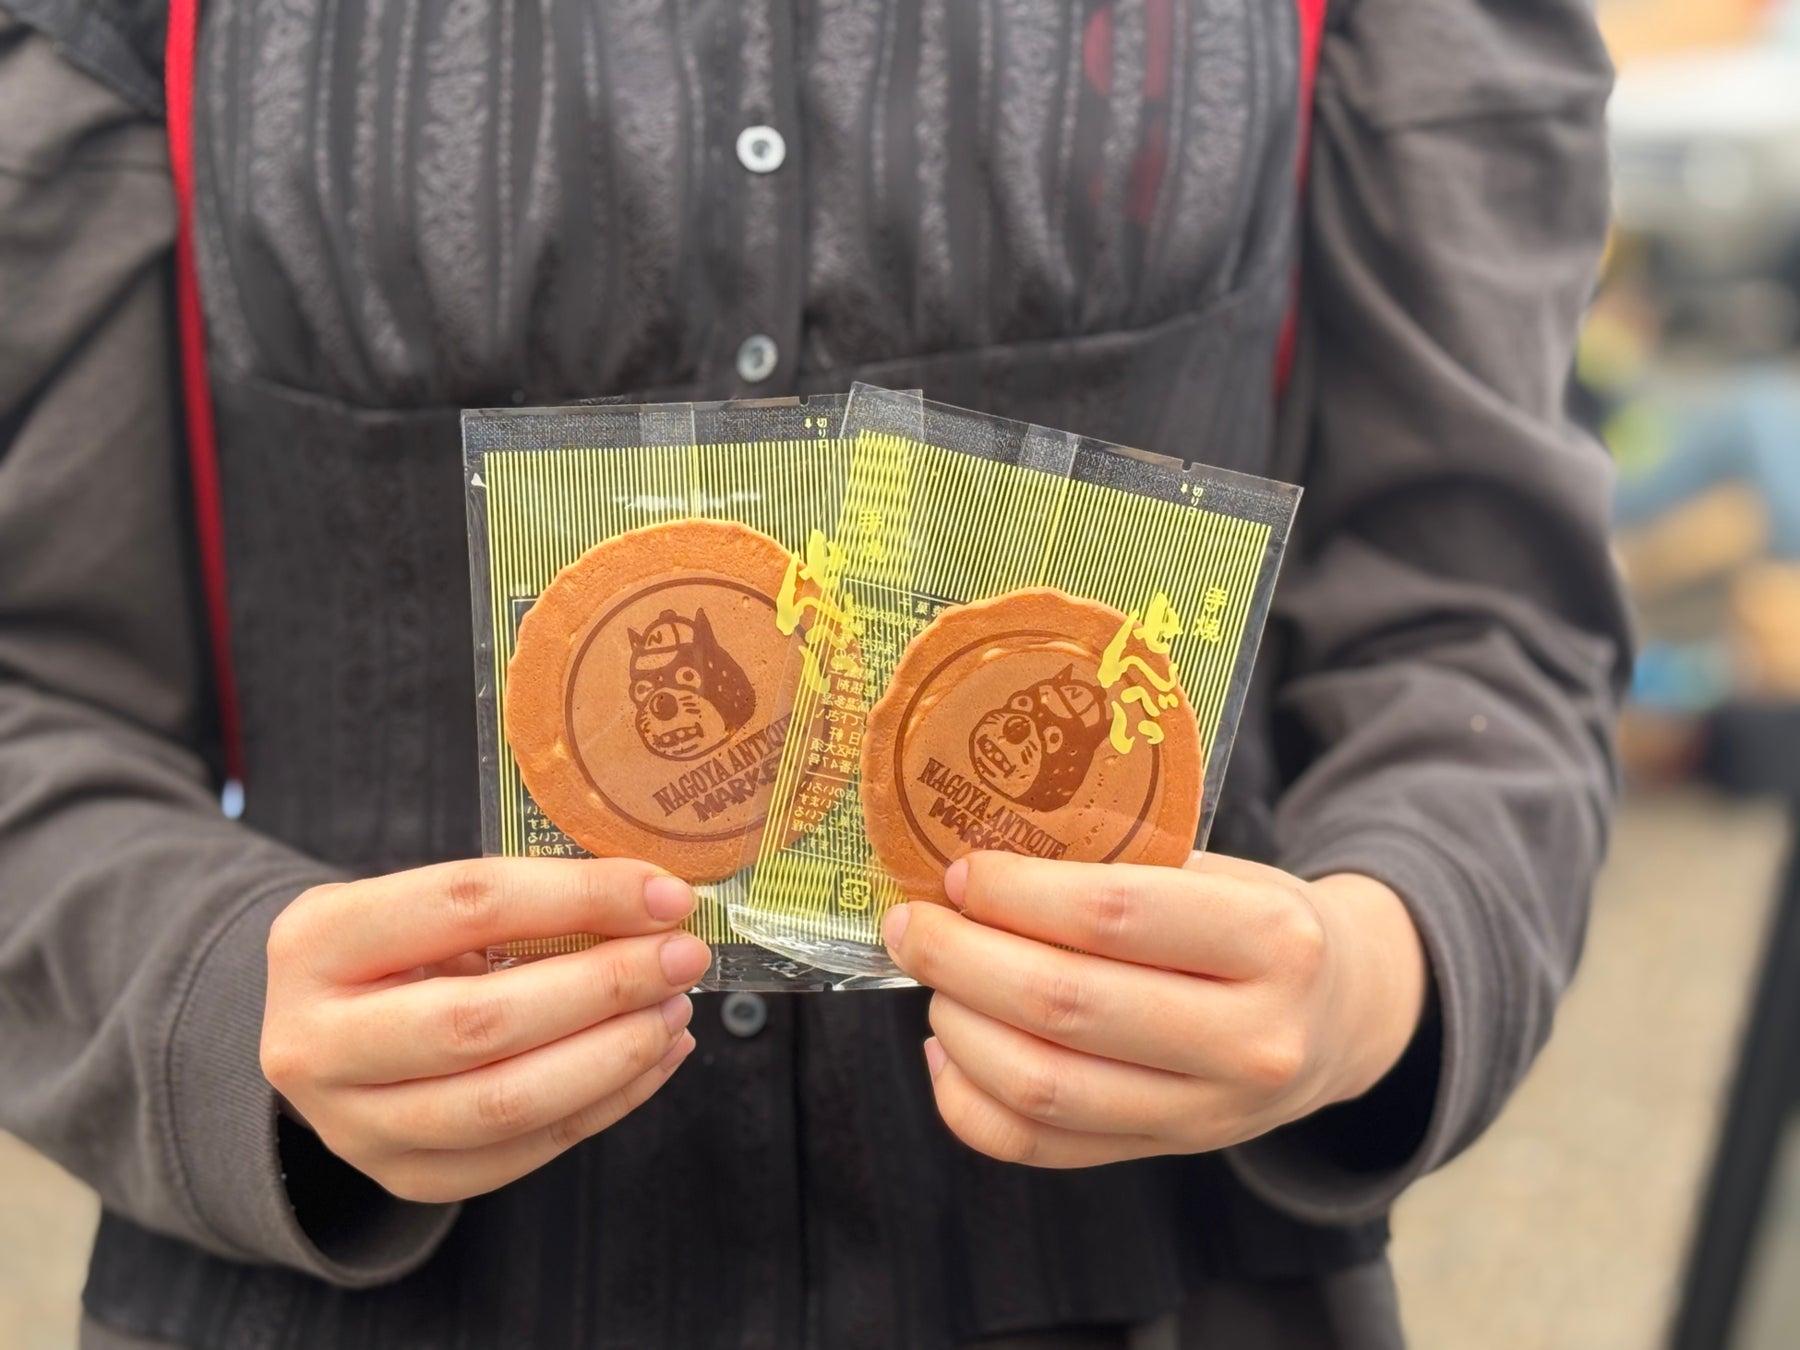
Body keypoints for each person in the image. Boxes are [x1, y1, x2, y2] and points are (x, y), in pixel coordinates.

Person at [0, 1, 1629, 1346]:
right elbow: (33, 687)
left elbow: (1480, 615)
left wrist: (1376, 976)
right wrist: (218, 1000)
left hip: (1157, 1282)